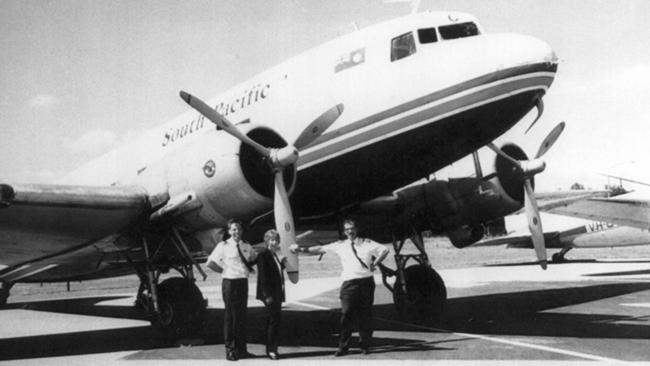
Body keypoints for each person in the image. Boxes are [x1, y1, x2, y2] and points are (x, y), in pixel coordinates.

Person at [290, 218, 389, 356]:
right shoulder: (340, 245)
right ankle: (343, 347)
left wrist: (375, 264)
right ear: (344, 231)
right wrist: (299, 249)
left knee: (365, 315)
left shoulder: (367, 243)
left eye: (352, 228)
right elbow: (319, 249)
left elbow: (384, 250)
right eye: (347, 229)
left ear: (356, 229)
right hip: (349, 284)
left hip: (366, 282)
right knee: (346, 314)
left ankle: (365, 345)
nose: (350, 231)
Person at [207, 219, 257, 361]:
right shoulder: (223, 246)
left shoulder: (246, 245)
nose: (237, 232)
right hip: (229, 282)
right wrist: (225, 271)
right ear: (229, 231)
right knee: (230, 316)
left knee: (241, 315)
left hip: (242, 282)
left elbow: (253, 258)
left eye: (239, 229)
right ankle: (230, 349)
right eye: (234, 229)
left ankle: (242, 350)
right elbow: (210, 263)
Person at [255, 229, 288, 360]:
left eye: (276, 240)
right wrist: (266, 295)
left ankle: (273, 348)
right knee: (272, 322)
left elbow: (276, 272)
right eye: (272, 240)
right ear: (267, 241)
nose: (274, 242)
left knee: (275, 321)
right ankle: (271, 350)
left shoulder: (274, 255)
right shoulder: (263, 254)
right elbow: (263, 277)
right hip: (270, 295)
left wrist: (283, 264)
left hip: (277, 293)